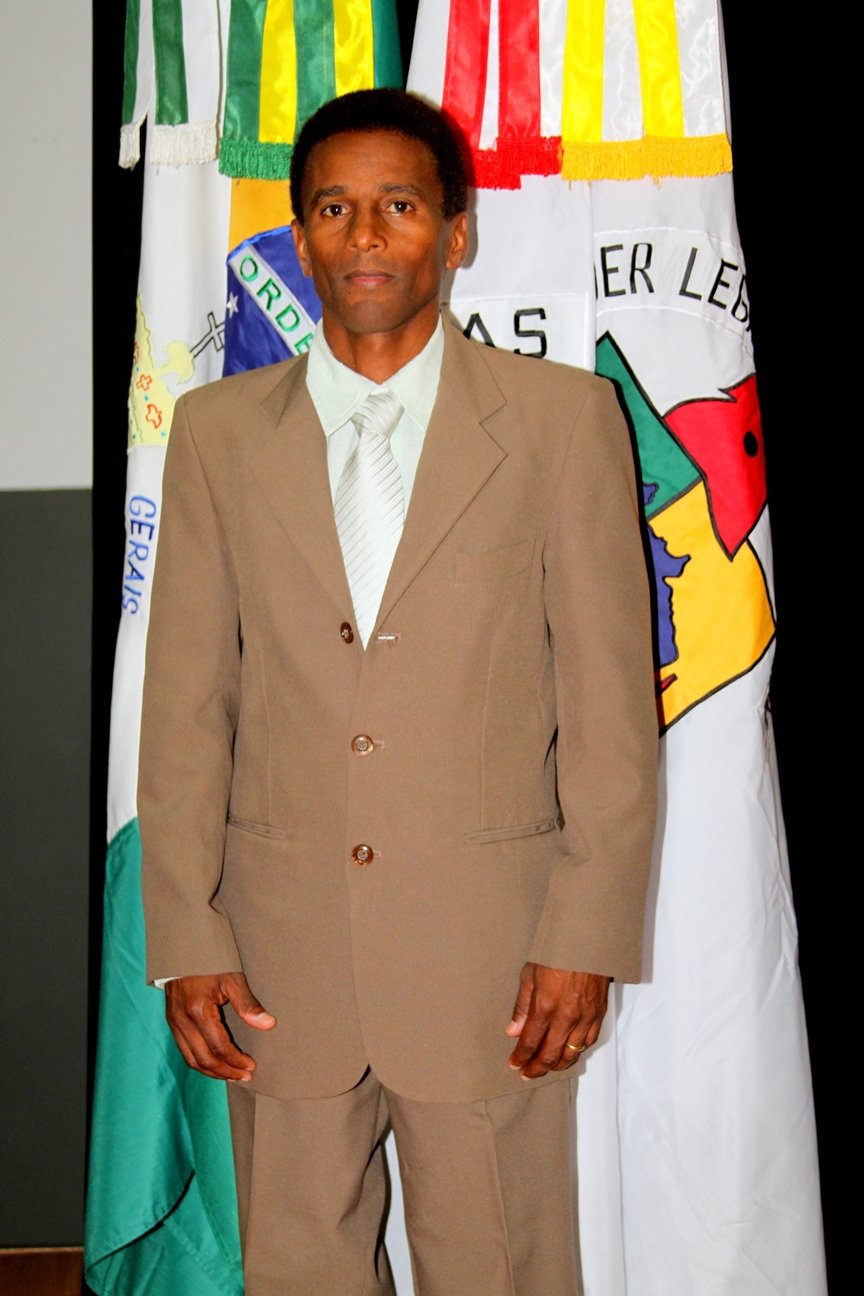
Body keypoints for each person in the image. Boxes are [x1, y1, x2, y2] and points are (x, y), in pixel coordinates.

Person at [139, 88, 658, 1296]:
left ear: (456, 231)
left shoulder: (563, 423)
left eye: (400, 206)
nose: (365, 235)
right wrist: (188, 935)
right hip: (276, 963)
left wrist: (584, 937)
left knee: (502, 1269)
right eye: (334, 209)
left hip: (495, 967)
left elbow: (609, 716)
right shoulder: (217, 434)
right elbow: (187, 709)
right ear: (299, 236)